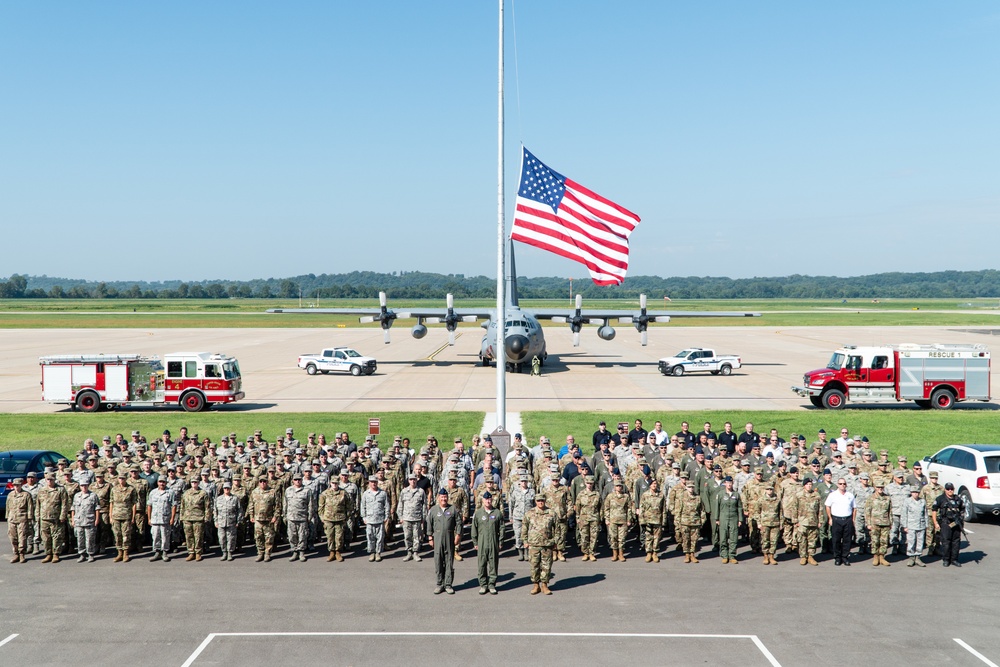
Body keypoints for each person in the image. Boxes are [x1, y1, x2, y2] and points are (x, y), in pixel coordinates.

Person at [522, 494, 557, 595]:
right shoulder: (529, 513)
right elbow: (524, 527)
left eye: (542, 500)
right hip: (534, 544)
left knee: (546, 565)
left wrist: (555, 541)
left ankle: (544, 585)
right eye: (538, 501)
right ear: (535, 501)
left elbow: (557, 528)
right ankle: (536, 585)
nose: (540, 502)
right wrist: (524, 541)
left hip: (547, 544)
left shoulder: (551, 513)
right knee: (534, 565)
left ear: (545, 501)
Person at [471, 490, 504, 595]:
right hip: (482, 542)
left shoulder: (497, 513)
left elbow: (502, 528)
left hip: (493, 542)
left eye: (489, 499)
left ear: (492, 500)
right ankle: (483, 585)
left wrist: (500, 542)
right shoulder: (478, 513)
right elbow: (474, 529)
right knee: (482, 565)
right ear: (482, 500)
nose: (488, 501)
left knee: (493, 564)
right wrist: (475, 542)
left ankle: (492, 584)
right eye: (486, 499)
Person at [426, 489, 459, 594]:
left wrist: (458, 535)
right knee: (438, 561)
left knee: (449, 560)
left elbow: (459, 523)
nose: (443, 499)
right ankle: (439, 584)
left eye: (445, 497)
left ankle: (448, 584)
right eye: (441, 497)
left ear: (447, 498)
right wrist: (430, 537)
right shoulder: (434, 510)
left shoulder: (453, 509)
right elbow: (429, 523)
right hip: (437, 538)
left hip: (449, 537)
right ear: (438, 498)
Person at [247, 475, 281, 562]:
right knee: (258, 537)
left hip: (269, 519)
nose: (263, 483)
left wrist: (275, 516)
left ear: (267, 482)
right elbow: (251, 504)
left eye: (264, 481)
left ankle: (267, 554)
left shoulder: (272, 492)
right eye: (261, 481)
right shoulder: (254, 492)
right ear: (259, 482)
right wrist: (251, 515)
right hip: (258, 519)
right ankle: (260, 553)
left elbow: (277, 506)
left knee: (269, 538)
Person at [931, 482, 965, 567]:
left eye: (951, 489)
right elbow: (934, 510)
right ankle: (946, 559)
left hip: (956, 523)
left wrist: (960, 518)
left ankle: (954, 559)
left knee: (956, 542)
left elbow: (962, 510)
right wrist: (935, 523)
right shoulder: (940, 499)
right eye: (948, 489)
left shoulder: (958, 499)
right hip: (945, 523)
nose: (950, 491)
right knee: (946, 542)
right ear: (945, 490)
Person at [37, 472, 69, 563]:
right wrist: (37, 516)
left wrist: (63, 515)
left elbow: (64, 504)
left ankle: (56, 554)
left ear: (54, 479)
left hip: (56, 518)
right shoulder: (42, 490)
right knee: (46, 538)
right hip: (44, 518)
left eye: (51, 479)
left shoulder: (60, 489)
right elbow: (38, 504)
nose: (50, 481)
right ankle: (48, 554)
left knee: (57, 537)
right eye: (48, 479)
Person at [284, 473, 314, 562]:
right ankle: (295, 552)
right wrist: (285, 515)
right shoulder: (288, 490)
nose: (297, 481)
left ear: (302, 480)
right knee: (292, 535)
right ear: (293, 481)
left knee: (302, 535)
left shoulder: (307, 490)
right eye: (296, 480)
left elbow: (311, 505)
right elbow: (285, 503)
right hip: (291, 517)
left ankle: (301, 552)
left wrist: (309, 516)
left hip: (302, 517)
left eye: (299, 480)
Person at [825, 478, 855, 565]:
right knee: (836, 540)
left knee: (847, 540)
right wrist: (830, 518)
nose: (842, 485)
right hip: (836, 519)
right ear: (837, 485)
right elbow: (827, 506)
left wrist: (853, 519)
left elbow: (854, 508)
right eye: (840, 484)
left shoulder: (850, 495)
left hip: (847, 519)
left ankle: (845, 557)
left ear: (846, 485)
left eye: (844, 484)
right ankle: (837, 557)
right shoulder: (832, 495)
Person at [397, 474, 426, 562]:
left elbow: (424, 505)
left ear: (417, 480)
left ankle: (416, 553)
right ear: (408, 481)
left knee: (416, 536)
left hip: (417, 518)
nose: (413, 481)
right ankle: (409, 552)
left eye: (414, 479)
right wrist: (400, 517)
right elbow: (400, 505)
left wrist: (423, 517)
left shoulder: (421, 491)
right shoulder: (404, 491)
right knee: (407, 536)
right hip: (406, 518)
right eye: (411, 480)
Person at [109, 473, 137, 563]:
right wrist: (110, 516)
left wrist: (133, 517)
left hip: (126, 515)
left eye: (123, 478)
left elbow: (134, 504)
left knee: (126, 535)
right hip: (116, 515)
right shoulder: (114, 489)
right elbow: (111, 503)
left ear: (126, 479)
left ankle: (125, 553)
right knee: (117, 534)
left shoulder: (131, 489)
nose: (121, 480)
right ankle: (119, 553)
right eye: (120, 478)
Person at [179, 477, 209, 561]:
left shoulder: (203, 493)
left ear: (198, 483)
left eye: (195, 482)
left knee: (198, 536)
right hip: (187, 517)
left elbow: (207, 506)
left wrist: (207, 517)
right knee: (189, 536)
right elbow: (182, 506)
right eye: (192, 482)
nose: (194, 483)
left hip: (199, 517)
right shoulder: (186, 493)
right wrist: (181, 517)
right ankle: (191, 552)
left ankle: (198, 552)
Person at [714, 476, 742, 564]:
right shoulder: (721, 494)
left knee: (733, 537)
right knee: (723, 537)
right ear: (725, 483)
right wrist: (717, 518)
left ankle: (732, 555)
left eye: (730, 482)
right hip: (723, 517)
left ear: (732, 483)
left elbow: (740, 507)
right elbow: (717, 507)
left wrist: (740, 519)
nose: (729, 484)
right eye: (727, 482)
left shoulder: (736, 494)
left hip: (734, 517)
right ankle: (724, 555)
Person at [604, 479, 634, 563]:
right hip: (613, 520)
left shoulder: (626, 496)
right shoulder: (610, 496)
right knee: (613, 537)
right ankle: (614, 553)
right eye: (617, 486)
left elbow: (629, 509)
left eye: (620, 486)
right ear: (614, 487)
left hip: (623, 520)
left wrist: (629, 519)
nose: (619, 487)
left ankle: (621, 554)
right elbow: (606, 508)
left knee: (622, 538)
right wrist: (607, 519)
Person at [360, 475, 388, 562]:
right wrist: (364, 517)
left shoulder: (383, 493)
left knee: (380, 538)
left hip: (380, 519)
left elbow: (386, 506)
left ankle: (378, 553)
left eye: (375, 482)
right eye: (372, 482)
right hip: (369, 519)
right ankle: (372, 552)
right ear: (369, 483)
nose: (373, 484)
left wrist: (386, 517)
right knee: (370, 537)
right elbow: (363, 506)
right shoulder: (365, 494)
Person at [574, 475, 602, 561]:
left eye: (591, 483)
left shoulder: (597, 494)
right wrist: (578, 517)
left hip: (594, 518)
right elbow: (578, 507)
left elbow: (600, 507)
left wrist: (600, 518)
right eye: (588, 483)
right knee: (584, 536)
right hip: (584, 518)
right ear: (585, 483)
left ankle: (592, 553)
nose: (589, 485)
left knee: (594, 536)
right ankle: (585, 553)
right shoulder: (581, 494)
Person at [147, 477, 176, 562]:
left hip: (165, 519)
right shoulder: (153, 492)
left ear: (166, 483)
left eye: (163, 482)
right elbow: (149, 506)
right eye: (160, 482)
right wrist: (149, 518)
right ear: (157, 482)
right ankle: (157, 552)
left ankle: (164, 552)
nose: (161, 483)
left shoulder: (170, 492)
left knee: (165, 536)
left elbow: (174, 506)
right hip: (155, 519)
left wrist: (172, 518)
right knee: (155, 536)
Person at [6, 478, 35, 563]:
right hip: (12, 519)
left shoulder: (26, 495)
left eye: (18, 485)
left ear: (21, 485)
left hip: (22, 518)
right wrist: (7, 517)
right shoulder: (10, 495)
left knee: (22, 537)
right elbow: (8, 507)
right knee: (12, 537)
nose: (16, 487)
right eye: (14, 485)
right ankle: (16, 554)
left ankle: (22, 554)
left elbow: (30, 507)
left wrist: (30, 518)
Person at [866, 482, 893, 567]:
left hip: (885, 522)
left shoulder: (887, 498)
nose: (880, 488)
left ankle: (882, 557)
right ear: (875, 487)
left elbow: (890, 511)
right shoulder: (871, 498)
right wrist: (868, 523)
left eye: (881, 487)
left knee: (884, 541)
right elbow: (867, 511)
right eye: (878, 487)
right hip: (874, 523)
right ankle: (875, 557)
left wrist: (890, 522)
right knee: (875, 540)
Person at [214, 481, 243, 561]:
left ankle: (230, 553)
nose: (226, 489)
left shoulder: (235, 498)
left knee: (231, 538)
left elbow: (240, 510)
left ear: (230, 489)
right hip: (221, 522)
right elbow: (215, 511)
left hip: (231, 522)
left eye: (228, 488)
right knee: (221, 538)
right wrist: (215, 521)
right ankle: (224, 552)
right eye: (225, 488)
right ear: (223, 489)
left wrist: (238, 521)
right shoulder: (218, 499)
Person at [677, 481, 705, 563]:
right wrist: (678, 521)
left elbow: (702, 510)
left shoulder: (698, 498)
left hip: (695, 522)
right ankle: (687, 554)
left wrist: (702, 520)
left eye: (692, 487)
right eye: (689, 487)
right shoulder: (682, 497)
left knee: (694, 539)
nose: (691, 489)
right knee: (686, 539)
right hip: (685, 521)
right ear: (686, 487)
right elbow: (678, 510)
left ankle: (692, 554)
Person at [796, 478, 822, 566]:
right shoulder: (799, 495)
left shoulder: (816, 495)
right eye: (807, 484)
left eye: (810, 484)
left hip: (813, 521)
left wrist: (820, 520)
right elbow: (794, 508)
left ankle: (811, 556)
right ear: (804, 485)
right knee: (802, 540)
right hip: (802, 521)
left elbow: (820, 509)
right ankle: (803, 556)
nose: (809, 486)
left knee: (812, 540)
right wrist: (795, 521)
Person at [756, 481, 782, 565]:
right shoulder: (761, 500)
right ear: (765, 490)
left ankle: (772, 556)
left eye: (771, 489)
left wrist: (781, 523)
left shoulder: (777, 500)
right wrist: (759, 523)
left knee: (773, 541)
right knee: (765, 540)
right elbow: (757, 512)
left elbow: (780, 512)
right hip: (765, 523)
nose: (770, 491)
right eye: (768, 489)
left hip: (775, 523)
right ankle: (765, 556)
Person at [901, 485, 927, 567]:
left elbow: (925, 513)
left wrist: (926, 524)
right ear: (911, 493)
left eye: (917, 492)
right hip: (911, 525)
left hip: (921, 525)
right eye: (914, 492)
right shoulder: (907, 501)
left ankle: (918, 557)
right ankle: (911, 557)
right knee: (911, 542)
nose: (916, 494)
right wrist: (905, 526)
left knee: (920, 542)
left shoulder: (922, 501)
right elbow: (904, 514)